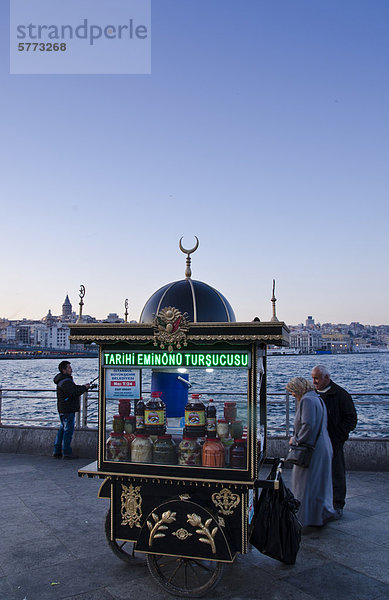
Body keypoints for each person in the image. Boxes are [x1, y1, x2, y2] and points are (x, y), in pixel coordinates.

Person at [286, 377, 335, 527]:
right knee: (318, 484)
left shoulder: (307, 401)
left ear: (298, 389)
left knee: (303, 484)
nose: (292, 395)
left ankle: (303, 518)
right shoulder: (317, 398)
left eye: (293, 391)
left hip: (312, 449)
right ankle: (320, 515)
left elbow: (307, 425)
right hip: (322, 446)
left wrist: (295, 440)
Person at [311, 364, 357, 517]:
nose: (314, 381)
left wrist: (338, 436)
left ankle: (338, 504)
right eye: (313, 378)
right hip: (317, 441)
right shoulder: (313, 394)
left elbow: (351, 419)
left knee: (336, 472)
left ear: (327, 378)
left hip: (333, 440)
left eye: (317, 378)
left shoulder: (341, 395)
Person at [53, 361, 90, 459]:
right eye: (69, 367)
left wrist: (83, 387)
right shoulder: (66, 381)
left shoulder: (62, 380)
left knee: (62, 429)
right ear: (63, 370)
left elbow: (73, 389)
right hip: (68, 409)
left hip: (62, 409)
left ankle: (57, 451)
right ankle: (66, 452)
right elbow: (73, 392)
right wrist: (84, 388)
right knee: (68, 431)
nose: (71, 369)